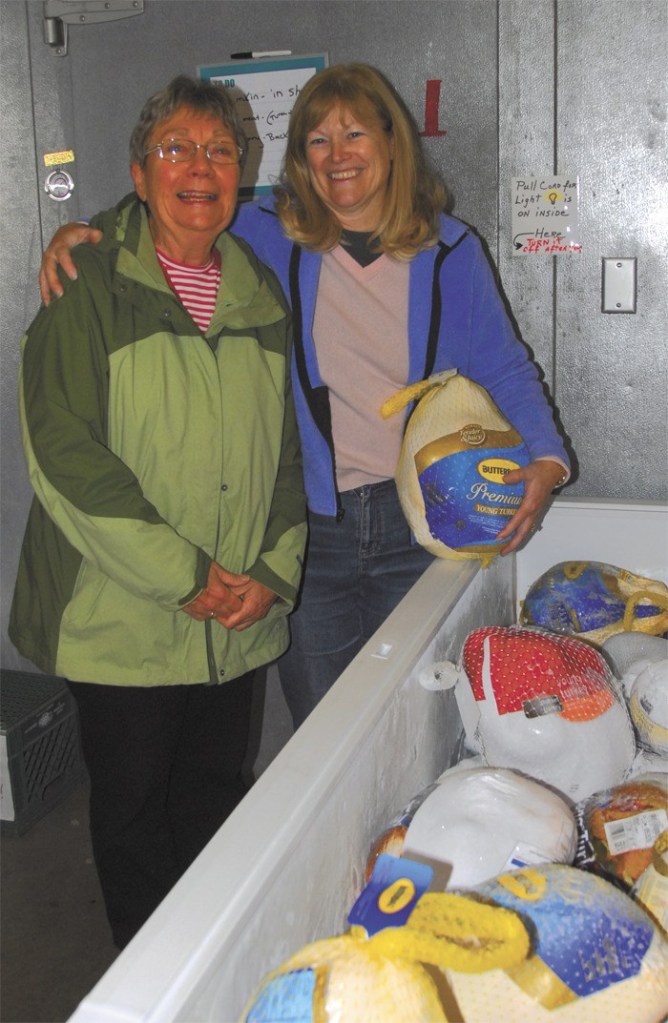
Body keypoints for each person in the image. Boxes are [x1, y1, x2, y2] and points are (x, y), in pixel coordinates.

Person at [38, 63, 570, 732]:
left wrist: (547, 462)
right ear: (299, 161)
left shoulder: (451, 251)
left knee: (416, 722)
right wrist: (85, 235)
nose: (337, 155)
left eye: (353, 133)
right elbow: (173, 224)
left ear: (391, 140)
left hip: (420, 526)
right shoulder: (264, 235)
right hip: (308, 531)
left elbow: (506, 366)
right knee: (325, 731)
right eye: (317, 140)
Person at [12, 75, 306, 949]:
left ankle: (217, 967)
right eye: (176, 148)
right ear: (138, 175)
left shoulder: (256, 290)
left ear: (242, 175)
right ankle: (157, 985)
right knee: (137, 817)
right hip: (125, 617)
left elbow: (285, 453)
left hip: (235, 614)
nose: (200, 167)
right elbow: (64, 454)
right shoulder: (88, 277)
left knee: (215, 795)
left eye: (220, 150)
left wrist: (270, 572)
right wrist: (185, 578)